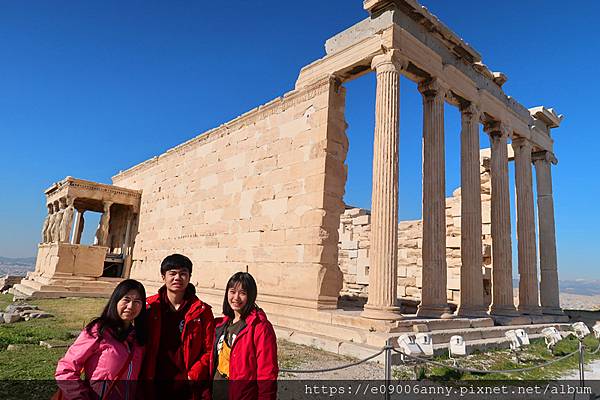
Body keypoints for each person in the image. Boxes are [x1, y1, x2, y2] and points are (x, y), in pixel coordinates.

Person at [55, 279, 147, 399]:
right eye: (126, 300)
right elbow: (66, 369)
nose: (130, 306)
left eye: (137, 302)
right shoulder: (99, 331)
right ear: (116, 301)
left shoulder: (138, 338)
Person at [141, 253, 215, 399]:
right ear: (163, 277)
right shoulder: (150, 307)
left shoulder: (202, 311)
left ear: (189, 277)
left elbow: (209, 350)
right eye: (172, 273)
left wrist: (192, 376)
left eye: (183, 274)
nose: (177, 278)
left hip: (186, 385)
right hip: (154, 381)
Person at [211, 272, 278, 400]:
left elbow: (267, 372)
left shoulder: (260, 328)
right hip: (217, 392)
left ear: (251, 296)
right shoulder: (222, 323)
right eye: (232, 291)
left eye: (242, 293)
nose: (236, 297)